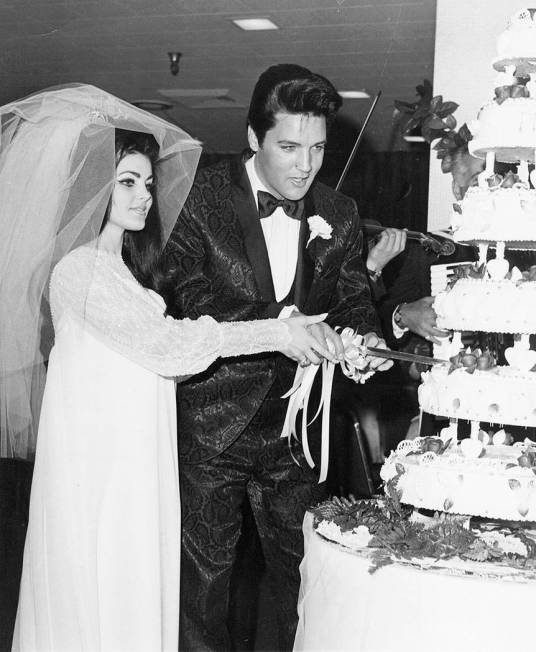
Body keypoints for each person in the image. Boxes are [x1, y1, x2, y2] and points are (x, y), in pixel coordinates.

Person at [2, 85, 335, 652]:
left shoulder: (122, 273)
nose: (144, 196)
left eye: (147, 184)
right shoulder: (80, 271)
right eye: (126, 182)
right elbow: (169, 349)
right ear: (91, 186)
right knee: (105, 595)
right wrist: (276, 331)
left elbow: (167, 363)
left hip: (138, 460)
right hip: (104, 472)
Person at [163, 63, 392, 651]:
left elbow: (351, 299)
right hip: (215, 425)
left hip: (299, 435)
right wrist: (278, 323)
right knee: (205, 590)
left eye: (317, 148)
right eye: (289, 147)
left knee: (299, 583)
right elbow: (187, 295)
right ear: (252, 138)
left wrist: (363, 344)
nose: (305, 165)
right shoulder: (198, 195)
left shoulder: (337, 213)